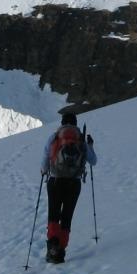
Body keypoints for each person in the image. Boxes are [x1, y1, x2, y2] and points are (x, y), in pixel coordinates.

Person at [40, 112, 97, 263]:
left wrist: (44, 171)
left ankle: (52, 245)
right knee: (67, 217)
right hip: (74, 183)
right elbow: (93, 161)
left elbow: (45, 159)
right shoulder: (80, 140)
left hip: (55, 181)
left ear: (63, 122)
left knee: (54, 214)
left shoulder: (54, 137)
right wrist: (90, 146)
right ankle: (61, 251)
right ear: (75, 123)